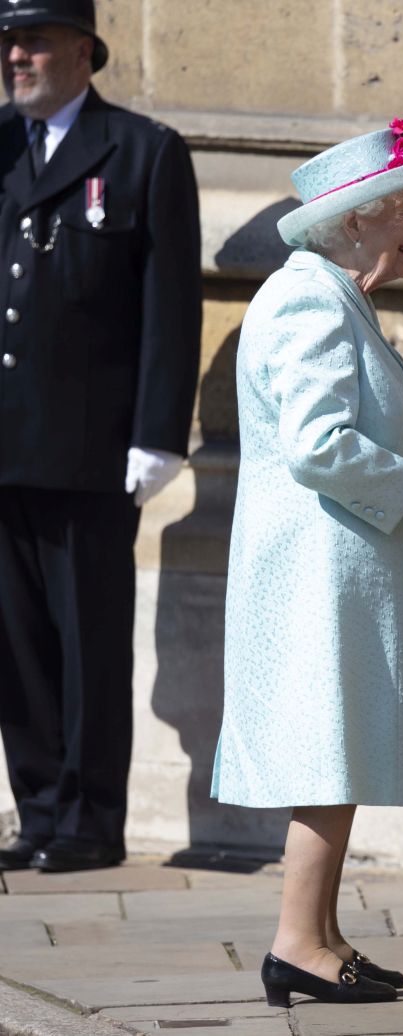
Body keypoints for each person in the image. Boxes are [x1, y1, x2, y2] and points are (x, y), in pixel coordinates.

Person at [211, 120, 403, 1008]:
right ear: (353, 222)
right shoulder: (308, 298)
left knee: (336, 751)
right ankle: (296, 943)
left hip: (334, 561)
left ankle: (320, 935)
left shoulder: (333, 293)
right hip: (315, 567)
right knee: (325, 753)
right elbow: (318, 447)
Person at [0, 0, 201, 873]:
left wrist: (157, 433)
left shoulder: (142, 151)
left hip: (89, 448)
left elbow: (170, 304)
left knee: (86, 639)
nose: (16, 57)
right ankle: (39, 813)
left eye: (34, 40)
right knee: (16, 644)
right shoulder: (2, 146)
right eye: (9, 43)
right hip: (6, 444)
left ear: (84, 50)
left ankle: (88, 822)